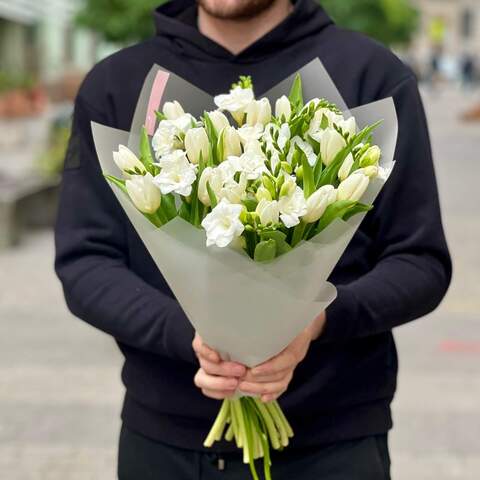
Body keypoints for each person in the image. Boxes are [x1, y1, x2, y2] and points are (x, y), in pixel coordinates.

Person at [54, 1, 452, 478]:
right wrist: (192, 338)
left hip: (333, 442)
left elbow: (420, 261)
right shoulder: (119, 83)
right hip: (166, 441)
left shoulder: (370, 76)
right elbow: (85, 262)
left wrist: (317, 321)